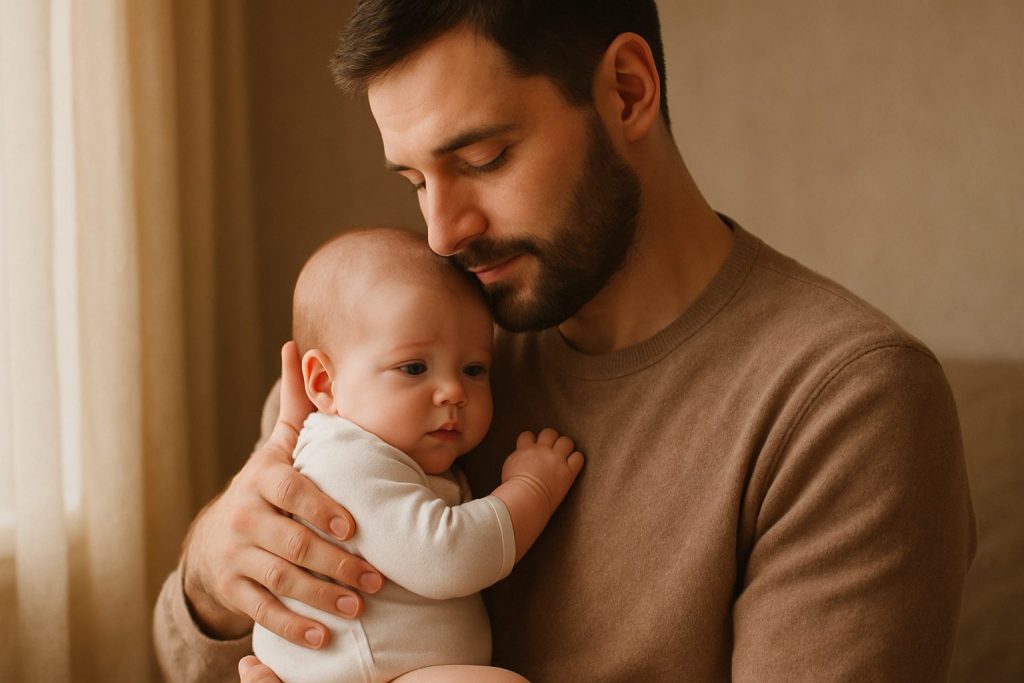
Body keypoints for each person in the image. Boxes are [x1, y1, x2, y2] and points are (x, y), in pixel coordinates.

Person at [154, 2, 976, 681]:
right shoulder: (403, 346)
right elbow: (178, 653)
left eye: (482, 157)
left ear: (626, 90)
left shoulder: (846, 402)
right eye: (412, 182)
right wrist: (213, 567)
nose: (441, 233)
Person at [250, 228, 581, 682]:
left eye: (473, 369)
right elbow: (447, 559)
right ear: (324, 384)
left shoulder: (389, 453)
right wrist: (533, 489)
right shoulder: (345, 460)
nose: (453, 392)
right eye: (413, 368)